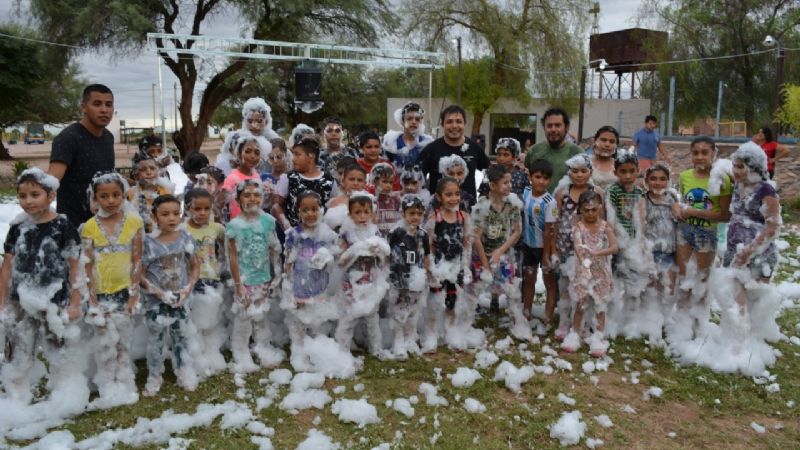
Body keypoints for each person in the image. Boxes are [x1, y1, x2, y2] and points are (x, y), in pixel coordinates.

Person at [0, 168, 83, 405]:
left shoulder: (63, 227)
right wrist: (2, 302)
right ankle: (16, 396)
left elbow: (76, 267)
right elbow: (7, 266)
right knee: (17, 350)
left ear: (51, 196)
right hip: (20, 299)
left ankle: (63, 396)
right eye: (23, 195)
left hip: (54, 300)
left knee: (58, 350)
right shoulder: (17, 228)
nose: (28, 201)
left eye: (35, 194)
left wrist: (75, 302)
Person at [82, 171, 143, 407]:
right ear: (95, 199)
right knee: (105, 342)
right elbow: (86, 265)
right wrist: (92, 299)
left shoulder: (135, 223)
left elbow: (137, 259)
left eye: (116, 195)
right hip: (100, 293)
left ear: (124, 195)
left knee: (124, 340)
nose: (110, 200)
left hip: (125, 291)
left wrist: (134, 294)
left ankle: (125, 380)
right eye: (104, 196)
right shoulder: (89, 227)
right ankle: (107, 382)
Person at [671, 137, 732, 340]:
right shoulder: (685, 175)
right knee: (683, 277)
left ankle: (698, 326)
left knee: (702, 279)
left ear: (714, 153)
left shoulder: (722, 179)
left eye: (704, 152)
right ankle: (681, 325)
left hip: (707, 233)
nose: (699, 156)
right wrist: (680, 209)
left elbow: (725, 215)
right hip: (684, 230)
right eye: (695, 152)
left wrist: (693, 213)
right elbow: (682, 201)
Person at [140, 195, 200, 396]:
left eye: (176, 213)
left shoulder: (185, 238)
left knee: (180, 336)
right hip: (155, 302)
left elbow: (194, 266)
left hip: (180, 299)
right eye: (165, 214)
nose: (171, 218)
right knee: (156, 339)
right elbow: (139, 273)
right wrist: (158, 292)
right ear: (154, 216)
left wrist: (188, 288)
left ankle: (183, 370)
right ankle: (155, 375)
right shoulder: (148, 242)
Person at [226, 179, 284, 373]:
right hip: (244, 279)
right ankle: (240, 351)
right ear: (238, 199)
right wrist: (238, 284)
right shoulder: (235, 226)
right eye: (247, 195)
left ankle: (262, 348)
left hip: (263, 277)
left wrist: (276, 274)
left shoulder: (267, 221)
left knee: (261, 315)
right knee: (243, 317)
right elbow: (232, 257)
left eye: (256, 195)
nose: (252, 199)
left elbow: (275, 248)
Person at [723, 142, 781, 328]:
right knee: (735, 299)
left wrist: (748, 252)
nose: (736, 171)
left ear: (754, 167)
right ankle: (736, 339)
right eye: (735, 165)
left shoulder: (765, 190)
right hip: (735, 249)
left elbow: (772, 227)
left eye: (741, 166)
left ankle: (755, 341)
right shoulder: (738, 186)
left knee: (756, 302)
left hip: (759, 254)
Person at [282, 191, 340, 371]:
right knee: (299, 323)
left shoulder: (328, 235)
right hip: (300, 285)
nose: (310, 213)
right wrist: (289, 289)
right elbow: (288, 263)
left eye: (314, 209)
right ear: (298, 212)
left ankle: (317, 354)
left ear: (321, 210)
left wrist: (328, 259)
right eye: (305, 210)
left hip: (320, 286)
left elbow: (336, 258)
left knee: (318, 323)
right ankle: (298, 354)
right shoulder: (294, 234)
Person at [48, 84, 116, 227]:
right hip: (74, 227)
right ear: (83, 107)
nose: (104, 110)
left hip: (104, 223)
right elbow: (51, 182)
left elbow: (106, 175)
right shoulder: (68, 138)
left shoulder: (108, 137)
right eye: (97, 104)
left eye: (108, 105)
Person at [551, 154, 602, 340]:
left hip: (587, 247)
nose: (579, 175)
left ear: (590, 172)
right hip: (565, 245)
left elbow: (601, 222)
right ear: (569, 172)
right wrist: (554, 248)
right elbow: (556, 220)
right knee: (565, 285)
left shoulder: (597, 192)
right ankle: (564, 322)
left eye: (583, 171)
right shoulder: (562, 193)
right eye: (575, 171)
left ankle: (582, 324)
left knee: (585, 286)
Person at [471, 165, 526, 339]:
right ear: (493, 185)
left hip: (503, 254)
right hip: (480, 255)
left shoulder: (512, 204)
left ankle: (518, 325)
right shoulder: (481, 208)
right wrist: (486, 263)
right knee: (472, 290)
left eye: (510, 182)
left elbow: (517, 232)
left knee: (512, 290)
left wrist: (500, 250)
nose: (509, 186)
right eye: (505, 183)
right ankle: (466, 323)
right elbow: (476, 237)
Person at [561, 190, 617, 357]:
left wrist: (598, 252)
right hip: (583, 270)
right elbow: (578, 247)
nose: (590, 213)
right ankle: (575, 333)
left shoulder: (605, 227)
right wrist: (585, 262)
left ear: (600, 208)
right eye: (586, 209)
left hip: (602, 271)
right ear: (581, 210)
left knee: (600, 304)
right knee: (581, 303)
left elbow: (615, 247)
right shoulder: (578, 227)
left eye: (594, 209)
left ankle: (598, 336)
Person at [335, 191, 390, 358]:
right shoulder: (346, 233)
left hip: (371, 280)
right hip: (351, 281)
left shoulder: (375, 233)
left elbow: (385, 258)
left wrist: (378, 250)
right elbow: (341, 261)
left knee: (372, 318)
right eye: (357, 212)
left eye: (366, 212)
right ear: (350, 214)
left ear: (372, 213)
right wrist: (356, 250)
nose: (362, 216)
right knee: (349, 317)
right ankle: (342, 349)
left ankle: (376, 348)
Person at [424, 177, 474, 352]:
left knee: (453, 301)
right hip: (439, 265)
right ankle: (431, 334)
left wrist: (466, 266)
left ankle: (451, 330)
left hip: (456, 266)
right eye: (448, 195)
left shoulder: (463, 217)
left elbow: (467, 242)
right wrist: (431, 269)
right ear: (439, 197)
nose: (454, 198)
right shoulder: (434, 218)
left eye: (457, 194)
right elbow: (427, 244)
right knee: (435, 302)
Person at [182, 188, 228, 378]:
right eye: (197, 209)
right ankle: (197, 356)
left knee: (212, 318)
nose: (202, 213)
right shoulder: (182, 229)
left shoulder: (216, 228)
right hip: (192, 280)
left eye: (206, 209)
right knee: (195, 321)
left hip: (213, 278)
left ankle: (212, 352)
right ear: (187, 208)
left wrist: (223, 268)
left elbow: (227, 248)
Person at [636, 164, 679, 336]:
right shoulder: (643, 199)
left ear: (668, 181)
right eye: (653, 178)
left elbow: (678, 220)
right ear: (646, 181)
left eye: (662, 179)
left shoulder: (672, 198)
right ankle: (646, 319)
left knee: (667, 287)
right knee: (648, 286)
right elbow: (640, 225)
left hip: (669, 249)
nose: (658, 182)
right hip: (650, 250)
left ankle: (665, 319)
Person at [386, 195, 430, 359]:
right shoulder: (396, 233)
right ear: (403, 214)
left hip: (417, 277)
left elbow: (426, 256)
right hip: (399, 277)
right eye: (412, 213)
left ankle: (410, 338)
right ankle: (398, 340)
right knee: (399, 310)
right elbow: (387, 254)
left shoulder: (423, 235)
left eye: (419, 214)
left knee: (413, 309)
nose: (416, 217)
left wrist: (427, 274)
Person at [417, 105, 490, 200]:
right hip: (438, 210)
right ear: (442, 124)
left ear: (465, 124)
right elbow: (417, 177)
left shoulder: (473, 148)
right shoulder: (432, 149)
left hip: (467, 209)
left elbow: (490, 172)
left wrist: (484, 196)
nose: (454, 126)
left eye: (459, 121)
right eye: (449, 122)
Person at [520, 159, 557, 325]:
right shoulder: (526, 192)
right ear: (530, 177)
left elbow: (550, 230)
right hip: (528, 245)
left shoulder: (550, 202)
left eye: (546, 178)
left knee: (549, 282)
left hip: (544, 247)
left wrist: (547, 255)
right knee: (529, 279)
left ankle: (548, 317)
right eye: (538, 177)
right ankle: (526, 313)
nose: (541, 181)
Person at [274, 135, 335, 229]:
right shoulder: (288, 178)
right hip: (295, 236)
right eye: (293, 154)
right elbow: (276, 206)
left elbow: (336, 207)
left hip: (321, 236)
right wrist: (287, 226)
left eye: (297, 154)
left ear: (311, 156)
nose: (293, 159)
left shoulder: (329, 180)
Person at [524, 107, 583, 193]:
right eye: (549, 126)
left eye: (557, 125)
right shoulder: (534, 151)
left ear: (566, 127)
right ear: (544, 127)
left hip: (566, 205)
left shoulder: (577, 153)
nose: (553, 129)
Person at [215, 98, 279, 176]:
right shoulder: (236, 137)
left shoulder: (273, 139)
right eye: (250, 121)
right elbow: (224, 163)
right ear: (245, 120)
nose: (254, 125)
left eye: (259, 121)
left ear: (266, 121)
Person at [222, 134, 267, 219]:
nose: (253, 156)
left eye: (257, 153)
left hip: (255, 223)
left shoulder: (256, 175)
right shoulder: (232, 179)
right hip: (239, 227)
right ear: (239, 154)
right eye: (248, 151)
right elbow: (221, 205)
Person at [128, 153, 174, 233]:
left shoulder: (166, 192)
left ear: (158, 171)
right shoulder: (130, 193)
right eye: (143, 170)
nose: (149, 172)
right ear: (136, 175)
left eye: (152, 168)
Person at [382, 102, 434, 168]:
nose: (414, 122)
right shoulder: (392, 142)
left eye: (417, 119)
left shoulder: (426, 143)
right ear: (403, 121)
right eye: (409, 119)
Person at [370, 163, 402, 237]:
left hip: (393, 239)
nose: (388, 185)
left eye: (391, 182)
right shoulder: (371, 200)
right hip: (377, 240)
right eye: (385, 181)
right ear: (374, 181)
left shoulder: (395, 200)